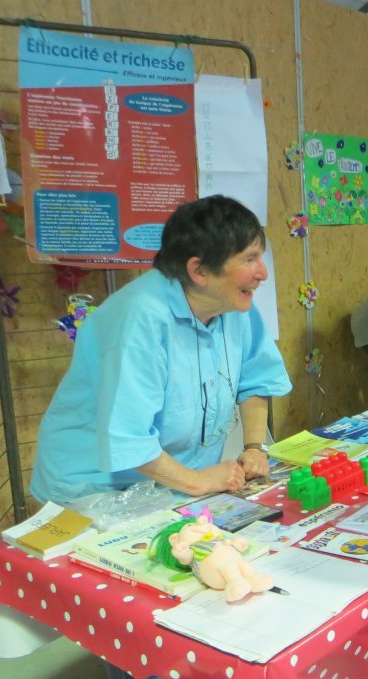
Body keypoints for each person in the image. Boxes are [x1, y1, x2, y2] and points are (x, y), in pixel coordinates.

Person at [31, 195, 292, 506]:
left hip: (175, 484)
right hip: (96, 489)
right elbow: (129, 438)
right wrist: (199, 481)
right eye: (249, 260)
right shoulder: (140, 319)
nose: (262, 273)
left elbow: (256, 378)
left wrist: (254, 447)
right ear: (199, 270)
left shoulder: (233, 304)